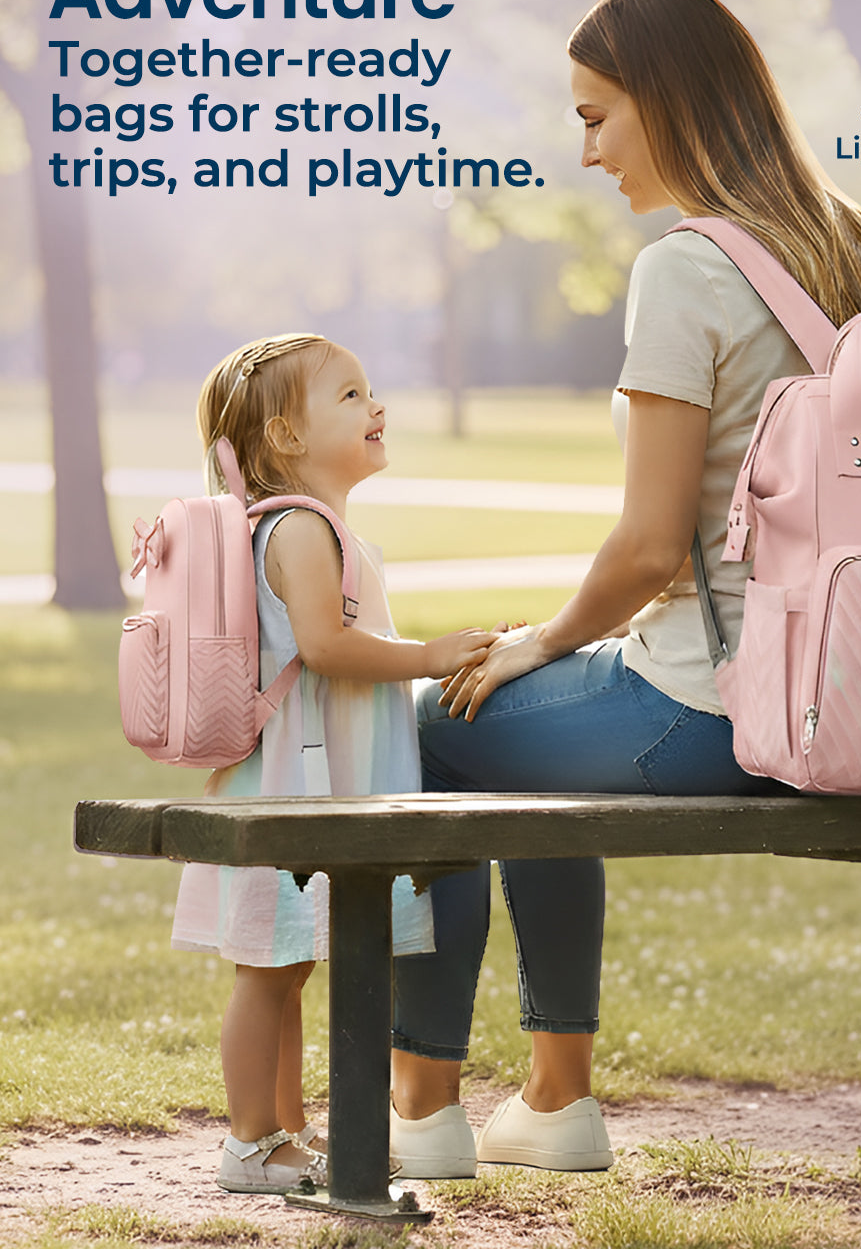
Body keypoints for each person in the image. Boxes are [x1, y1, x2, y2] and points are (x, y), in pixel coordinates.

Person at [388, 0, 861, 1179]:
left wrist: (537, 642)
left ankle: (422, 1111)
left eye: (595, 117)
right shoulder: (854, 245)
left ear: (666, 102)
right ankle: (550, 1101)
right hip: (852, 698)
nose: (584, 152)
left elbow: (648, 547)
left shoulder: (684, 269)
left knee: (434, 725)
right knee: (524, 746)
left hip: (719, 713)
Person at [170, 333, 497, 1194]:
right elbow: (323, 645)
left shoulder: (305, 526)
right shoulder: (302, 528)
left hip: (303, 777)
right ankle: (248, 1141)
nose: (376, 406)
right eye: (350, 396)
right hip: (296, 786)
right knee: (269, 970)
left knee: (286, 964)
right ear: (284, 437)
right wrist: (430, 656)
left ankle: (285, 1134)